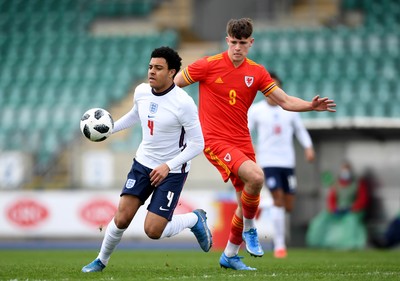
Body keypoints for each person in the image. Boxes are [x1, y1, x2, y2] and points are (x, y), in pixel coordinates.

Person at [174, 18, 336, 270]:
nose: (237, 47)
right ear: (227, 40)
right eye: (234, 42)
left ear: (251, 43)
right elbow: (175, 87)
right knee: (256, 178)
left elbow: (283, 100)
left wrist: (310, 106)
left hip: (242, 141)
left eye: (243, 43)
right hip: (215, 140)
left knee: (245, 203)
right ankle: (251, 229)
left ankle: (229, 255)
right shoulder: (207, 65)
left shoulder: (257, 72)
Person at [82, 46, 212, 273]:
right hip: (143, 163)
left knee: (153, 231)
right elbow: (136, 114)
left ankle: (194, 219)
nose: (151, 71)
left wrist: (168, 165)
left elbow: (198, 144)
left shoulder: (183, 103)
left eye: (158, 68)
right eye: (150, 67)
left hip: (171, 170)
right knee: (122, 218)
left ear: (172, 73)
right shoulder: (141, 91)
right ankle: (101, 261)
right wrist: (109, 129)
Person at [248, 71, 315, 258]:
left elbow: (300, 130)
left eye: (275, 86)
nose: (272, 90)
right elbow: (246, 131)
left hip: (287, 162)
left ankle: (267, 206)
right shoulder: (256, 110)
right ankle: (279, 245)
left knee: (288, 205)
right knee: (278, 199)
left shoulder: (289, 110)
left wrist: (308, 147)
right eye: (269, 87)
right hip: (269, 162)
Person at [306, 161, 369, 249]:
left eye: (347, 170)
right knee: (320, 219)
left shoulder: (358, 183)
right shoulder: (336, 184)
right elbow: (331, 199)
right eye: (343, 170)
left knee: (350, 221)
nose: (345, 173)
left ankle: (351, 245)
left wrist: (350, 208)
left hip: (353, 211)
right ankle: (316, 243)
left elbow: (362, 200)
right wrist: (335, 209)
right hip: (338, 211)